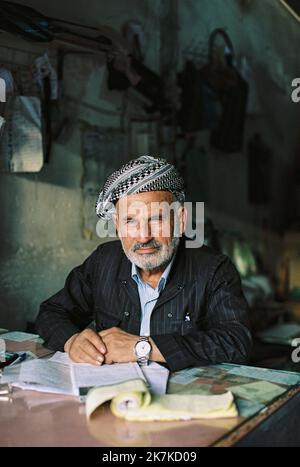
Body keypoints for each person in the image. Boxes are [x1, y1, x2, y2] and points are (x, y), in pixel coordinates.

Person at [35, 156, 252, 371]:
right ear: (117, 226)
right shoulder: (103, 261)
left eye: (156, 219)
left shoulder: (213, 269)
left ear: (180, 220)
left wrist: (142, 347)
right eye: (130, 221)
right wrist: (71, 340)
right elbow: (51, 312)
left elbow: (236, 341)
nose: (143, 236)